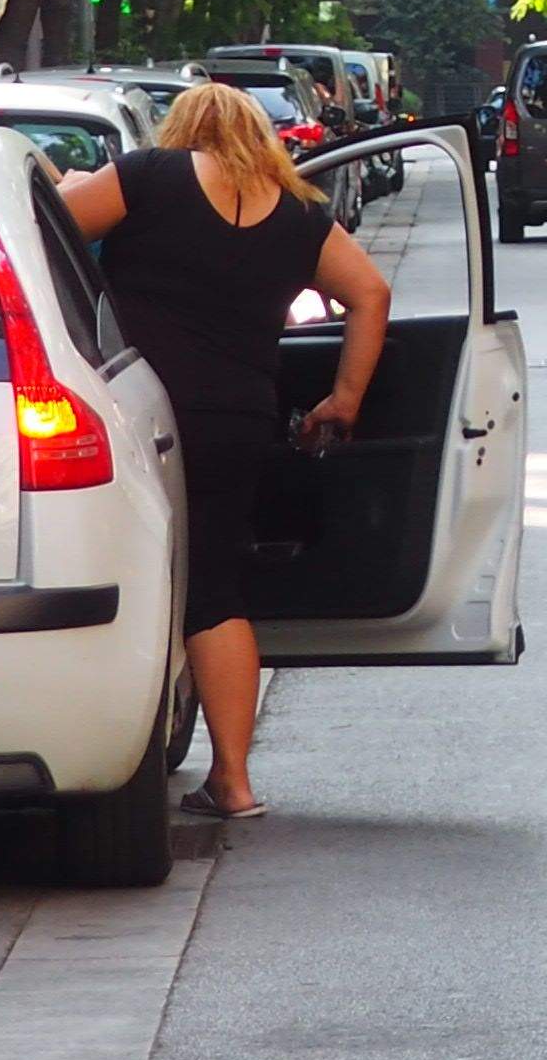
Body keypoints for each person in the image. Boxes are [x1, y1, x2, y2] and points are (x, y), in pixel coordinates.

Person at [61, 80, 388, 820]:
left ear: (181, 129)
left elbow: (48, 231)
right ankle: (231, 779)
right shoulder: (300, 213)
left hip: (137, 411)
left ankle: (113, 751)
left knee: (121, 571)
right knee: (213, 588)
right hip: (238, 418)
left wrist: (70, 185)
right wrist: (344, 399)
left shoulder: (149, 177)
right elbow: (371, 294)